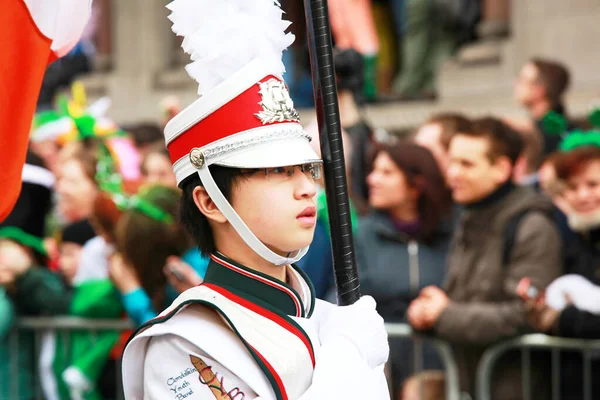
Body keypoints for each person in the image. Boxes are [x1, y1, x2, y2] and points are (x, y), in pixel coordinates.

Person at [121, 1, 390, 399]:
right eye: (277, 172)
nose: (305, 189)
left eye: (307, 170)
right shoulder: (181, 342)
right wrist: (346, 360)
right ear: (209, 201)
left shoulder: (335, 320)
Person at [407, 117, 562, 399]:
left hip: (516, 386)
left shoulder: (532, 226)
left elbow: (528, 314)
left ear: (501, 169)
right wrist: (429, 312)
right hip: (472, 383)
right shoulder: (470, 217)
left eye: (467, 164)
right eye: (452, 161)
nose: (452, 173)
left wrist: (445, 315)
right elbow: (467, 296)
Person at [357, 141, 453, 395]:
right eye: (373, 170)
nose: (372, 179)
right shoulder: (363, 234)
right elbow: (346, 294)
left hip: (436, 362)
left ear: (416, 185)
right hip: (379, 362)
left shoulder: (451, 234)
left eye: (386, 173)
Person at [526, 143, 600, 399]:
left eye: (592, 184)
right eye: (572, 187)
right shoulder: (572, 241)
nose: (582, 196)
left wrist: (560, 319)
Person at [513, 58, 572, 156]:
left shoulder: (550, 134)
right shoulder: (557, 125)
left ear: (539, 90)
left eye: (522, 79)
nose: (515, 83)